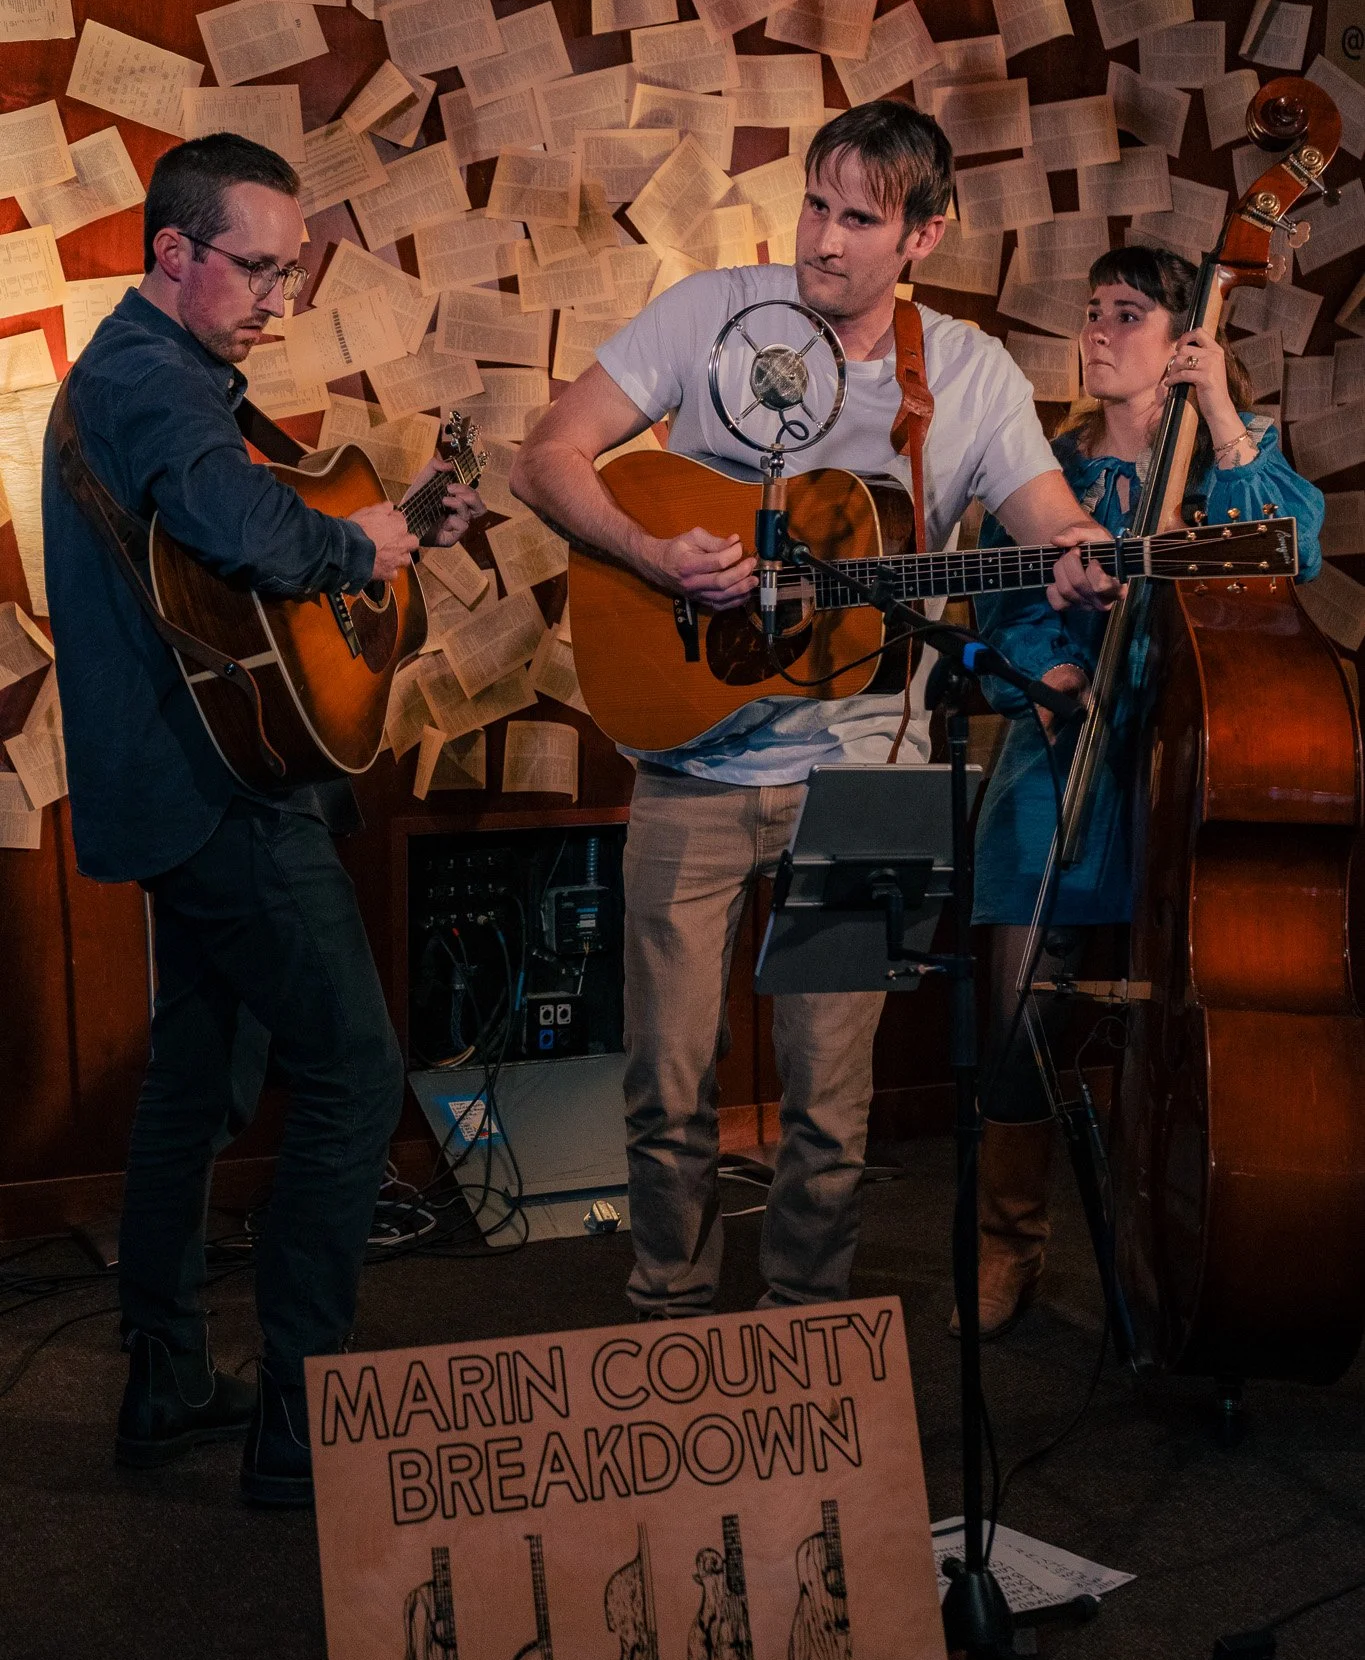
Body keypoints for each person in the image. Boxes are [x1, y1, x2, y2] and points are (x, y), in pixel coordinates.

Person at [510, 99, 1119, 1320]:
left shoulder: (965, 371)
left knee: (831, 1104)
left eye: (861, 218)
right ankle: (671, 1312)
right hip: (690, 759)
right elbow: (548, 455)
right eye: (816, 205)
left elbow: (1046, 512)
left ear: (924, 237)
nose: (824, 240)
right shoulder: (707, 314)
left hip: (871, 773)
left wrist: (1084, 550)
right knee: (666, 1079)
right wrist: (647, 548)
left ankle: (812, 1339)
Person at [41, 134, 484, 1502]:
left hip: (197, 787)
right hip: (224, 802)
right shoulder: (147, 379)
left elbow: (246, 571)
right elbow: (244, 525)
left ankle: (169, 1371)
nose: (280, 296)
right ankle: (301, 1424)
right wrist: (361, 547)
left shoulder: (161, 377)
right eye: (258, 268)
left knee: (199, 1075)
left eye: (294, 272)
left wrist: (390, 528)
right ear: (172, 253)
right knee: (355, 1074)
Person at [966, 245, 1325, 1338]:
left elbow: (1291, 549)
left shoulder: (1226, 466)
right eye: (1092, 311)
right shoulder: (1047, 472)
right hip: (1063, 749)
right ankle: (1006, 1241)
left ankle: (1162, 1246)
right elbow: (1000, 596)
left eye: (1129, 313)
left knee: (1173, 1027)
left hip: (1190, 759)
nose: (1099, 329)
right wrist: (1047, 670)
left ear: (1182, 337)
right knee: (1019, 1000)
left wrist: (1219, 409)